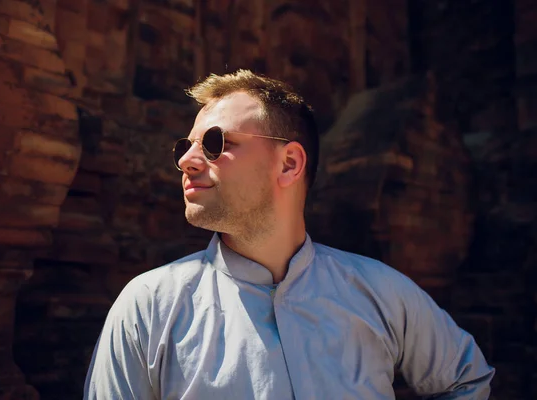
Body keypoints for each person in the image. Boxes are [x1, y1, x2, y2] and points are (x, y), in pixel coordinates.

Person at [83, 70, 495, 399]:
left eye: (213, 143)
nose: (188, 161)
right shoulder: (149, 307)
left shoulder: (382, 293)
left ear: (289, 164)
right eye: (184, 148)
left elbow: (467, 379)